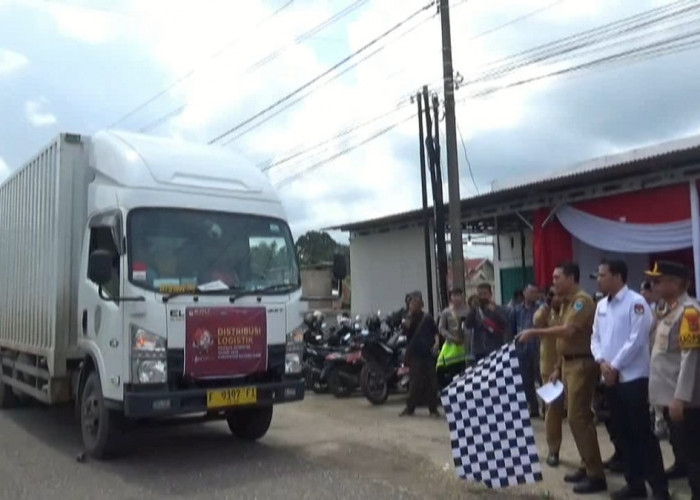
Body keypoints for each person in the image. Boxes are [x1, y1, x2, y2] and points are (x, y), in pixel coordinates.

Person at [518, 261, 606, 494]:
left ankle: (596, 474)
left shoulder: (582, 301)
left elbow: (567, 331)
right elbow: (561, 342)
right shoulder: (566, 303)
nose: (554, 282)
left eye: (557, 278)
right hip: (567, 364)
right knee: (572, 418)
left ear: (571, 278)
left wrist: (534, 332)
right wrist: (557, 367)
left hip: (582, 363)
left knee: (578, 417)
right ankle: (587, 466)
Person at [591, 258, 669, 500]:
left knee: (642, 434)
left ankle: (658, 488)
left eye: (603, 275)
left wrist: (614, 365)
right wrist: (602, 362)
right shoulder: (602, 305)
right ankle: (634, 483)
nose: (600, 279)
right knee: (622, 434)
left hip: (633, 378)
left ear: (617, 276)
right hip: (610, 378)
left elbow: (636, 340)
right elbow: (595, 337)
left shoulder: (636, 303)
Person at [646, 261, 700, 496]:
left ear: (676, 283)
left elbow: (690, 358)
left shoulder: (689, 313)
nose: (653, 285)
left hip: (683, 401)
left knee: (694, 455)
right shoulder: (669, 309)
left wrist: (680, 398)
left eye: (659, 281)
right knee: (681, 449)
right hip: (667, 397)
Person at [534, 286, 564, 467]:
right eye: (552, 294)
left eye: (558, 294)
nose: (556, 298)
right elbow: (536, 322)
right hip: (550, 367)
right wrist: (546, 305)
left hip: (571, 364)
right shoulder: (546, 312)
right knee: (552, 410)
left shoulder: (570, 310)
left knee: (579, 415)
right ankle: (554, 450)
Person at [400, 291, 441, 418]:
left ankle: (433, 409)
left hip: (428, 353)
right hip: (415, 354)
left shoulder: (427, 317)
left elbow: (436, 332)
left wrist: (436, 343)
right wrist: (409, 316)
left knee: (432, 383)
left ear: (422, 304)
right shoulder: (407, 318)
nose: (414, 305)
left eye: (417, 302)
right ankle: (410, 408)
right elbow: (405, 331)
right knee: (414, 383)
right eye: (412, 303)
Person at [511, 283, 543, 418]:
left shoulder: (542, 308)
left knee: (542, 378)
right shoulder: (516, 310)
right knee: (526, 380)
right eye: (530, 292)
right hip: (522, 349)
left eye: (535, 292)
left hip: (539, 348)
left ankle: (546, 408)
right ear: (524, 293)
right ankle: (533, 407)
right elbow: (512, 328)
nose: (533, 295)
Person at [465, 283, 508, 363]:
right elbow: (468, 325)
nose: (482, 297)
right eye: (480, 294)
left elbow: (505, 324)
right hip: (479, 349)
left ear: (490, 294)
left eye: (485, 294)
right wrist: (473, 309)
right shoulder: (475, 310)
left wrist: (494, 311)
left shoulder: (498, 308)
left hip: (495, 347)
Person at [436, 288, 469, 390]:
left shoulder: (468, 311)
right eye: (454, 296)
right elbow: (441, 328)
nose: (457, 298)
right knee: (451, 375)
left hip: (466, 347)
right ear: (450, 298)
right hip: (451, 348)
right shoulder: (446, 312)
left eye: (459, 295)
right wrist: (452, 338)